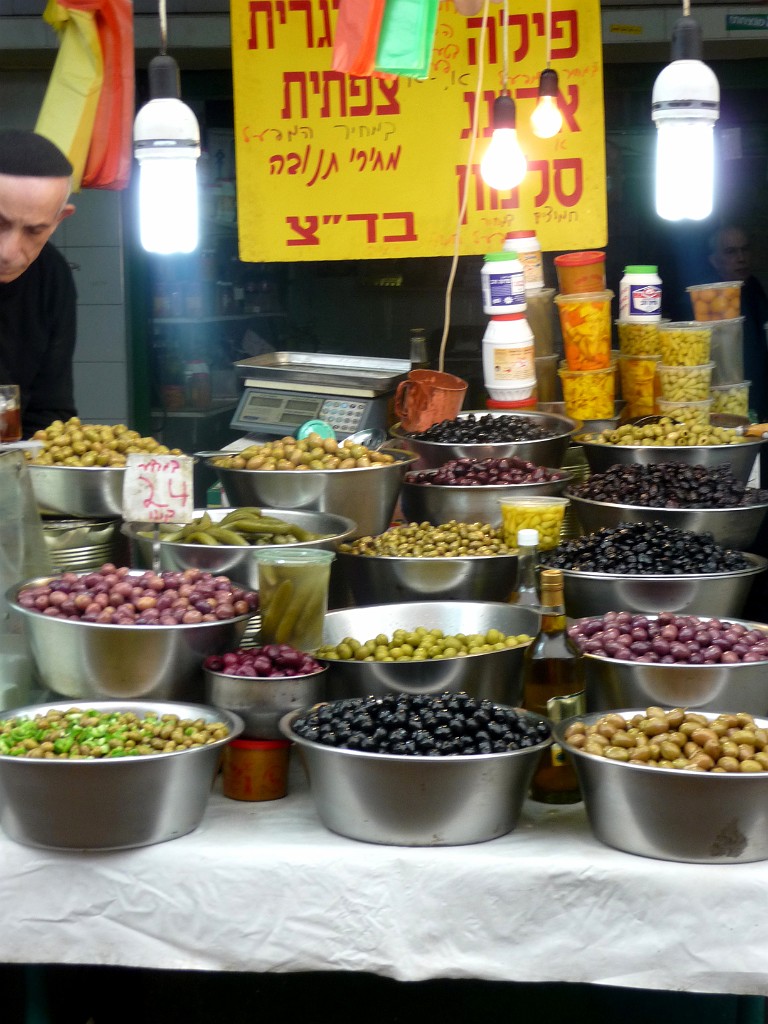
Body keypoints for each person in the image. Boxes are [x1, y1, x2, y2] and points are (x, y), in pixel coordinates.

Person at [0, 129, 78, 437]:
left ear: (60, 220)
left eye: (34, 231)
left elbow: (50, 411)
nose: (7, 253)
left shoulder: (52, 276)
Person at [707, 223, 768, 424]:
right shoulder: (708, 299)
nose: (741, 257)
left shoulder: (753, 288)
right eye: (731, 252)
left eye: (744, 249)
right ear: (714, 261)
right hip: (724, 402)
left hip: (758, 395)